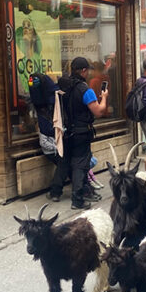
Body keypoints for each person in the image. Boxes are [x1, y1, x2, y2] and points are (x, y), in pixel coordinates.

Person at [48, 57, 110, 210]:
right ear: (83, 71)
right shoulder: (85, 90)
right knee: (80, 165)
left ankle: (55, 192)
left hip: (65, 131)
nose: (88, 73)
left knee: (64, 161)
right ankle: (77, 200)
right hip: (81, 132)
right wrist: (104, 98)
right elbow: (98, 111)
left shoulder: (62, 85)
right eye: (87, 70)